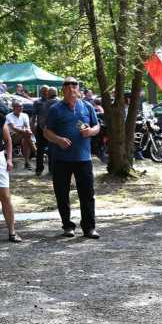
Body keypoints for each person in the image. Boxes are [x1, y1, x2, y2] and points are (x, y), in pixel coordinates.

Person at [44, 77, 100, 239]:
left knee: (87, 194)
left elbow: (96, 127)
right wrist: (58, 140)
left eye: (74, 84)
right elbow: (47, 131)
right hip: (61, 159)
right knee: (62, 194)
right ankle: (68, 226)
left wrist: (90, 132)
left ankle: (89, 228)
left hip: (83, 158)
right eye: (67, 85)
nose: (71, 87)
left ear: (78, 88)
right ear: (63, 89)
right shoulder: (55, 109)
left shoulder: (87, 107)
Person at [0, 113, 22, 242]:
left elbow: (8, 140)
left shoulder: (1, 118)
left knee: (5, 196)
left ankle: (12, 232)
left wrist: (9, 159)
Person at [6, 101, 35, 170]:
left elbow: (27, 126)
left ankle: (27, 162)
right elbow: (14, 128)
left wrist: (28, 130)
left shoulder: (25, 115)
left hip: (24, 135)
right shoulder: (9, 116)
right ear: (13, 108)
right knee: (26, 135)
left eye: (21, 106)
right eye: (18, 106)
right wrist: (25, 131)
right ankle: (34, 149)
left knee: (25, 141)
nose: (20, 108)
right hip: (12, 136)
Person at [31, 85, 49, 176]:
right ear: (41, 92)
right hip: (40, 128)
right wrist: (32, 127)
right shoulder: (37, 102)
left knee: (52, 149)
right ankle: (39, 169)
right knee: (40, 150)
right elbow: (34, 116)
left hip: (51, 128)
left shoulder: (53, 101)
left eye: (46, 91)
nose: (45, 92)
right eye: (43, 91)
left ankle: (52, 169)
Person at [44, 87, 60, 174]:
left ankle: (52, 169)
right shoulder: (61, 102)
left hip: (51, 130)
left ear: (49, 94)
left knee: (51, 150)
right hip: (61, 130)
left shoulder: (47, 103)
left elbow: (44, 118)